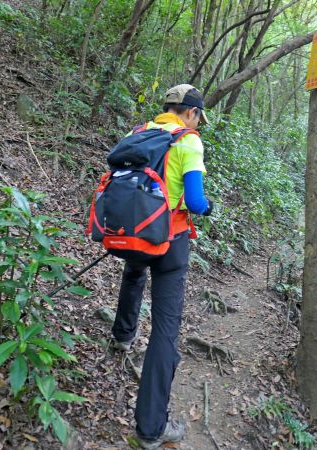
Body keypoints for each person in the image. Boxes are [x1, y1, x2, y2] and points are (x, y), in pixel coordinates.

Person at [110, 84, 213, 449]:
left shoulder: (137, 133)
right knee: (165, 330)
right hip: (171, 241)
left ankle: (122, 336)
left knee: (134, 273)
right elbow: (197, 201)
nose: (198, 121)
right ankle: (151, 428)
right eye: (198, 115)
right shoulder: (189, 141)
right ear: (191, 112)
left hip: (133, 234)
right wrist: (208, 206)